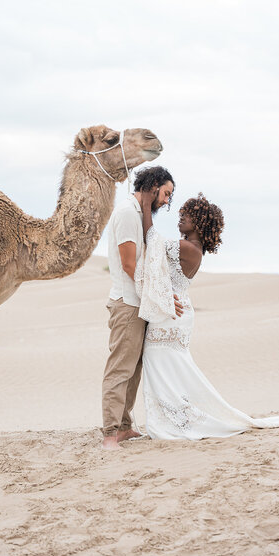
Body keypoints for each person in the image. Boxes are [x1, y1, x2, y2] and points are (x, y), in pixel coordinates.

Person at [135, 189, 279, 440]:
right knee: (168, 368)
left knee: (166, 366)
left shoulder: (189, 248)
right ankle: (176, 418)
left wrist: (146, 205)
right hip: (171, 311)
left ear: (200, 223)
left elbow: (152, 240)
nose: (181, 218)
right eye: (181, 213)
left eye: (188, 215)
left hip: (172, 315)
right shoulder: (188, 246)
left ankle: (180, 420)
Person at [102, 166, 183, 450]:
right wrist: (157, 296)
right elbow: (128, 264)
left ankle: (124, 427)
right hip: (127, 303)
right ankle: (109, 434)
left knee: (134, 369)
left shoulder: (139, 214)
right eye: (166, 193)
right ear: (153, 186)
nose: (166, 201)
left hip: (141, 303)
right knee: (119, 369)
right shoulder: (126, 212)